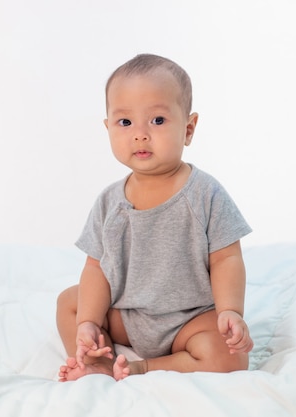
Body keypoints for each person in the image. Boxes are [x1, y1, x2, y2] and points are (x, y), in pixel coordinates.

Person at [56, 53, 253, 381]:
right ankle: (95, 358)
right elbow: (96, 268)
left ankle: (142, 367)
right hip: (128, 316)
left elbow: (227, 259)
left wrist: (231, 311)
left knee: (230, 357)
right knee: (70, 304)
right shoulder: (109, 202)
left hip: (189, 320)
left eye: (158, 121)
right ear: (108, 128)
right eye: (125, 122)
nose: (140, 134)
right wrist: (89, 321)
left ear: (188, 129)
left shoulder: (205, 193)